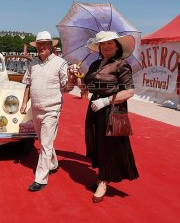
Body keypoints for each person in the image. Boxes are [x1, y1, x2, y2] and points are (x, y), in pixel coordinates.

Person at [74, 31, 139, 203]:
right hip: (94, 107)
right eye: (103, 44)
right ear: (99, 47)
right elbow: (84, 88)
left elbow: (130, 91)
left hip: (112, 109)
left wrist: (106, 101)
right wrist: (77, 75)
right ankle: (103, 173)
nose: (107, 46)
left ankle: (103, 180)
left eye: (110, 43)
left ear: (117, 46)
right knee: (95, 143)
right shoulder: (95, 64)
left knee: (109, 146)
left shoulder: (121, 64)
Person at [20, 30, 76, 192]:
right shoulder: (32, 64)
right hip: (35, 108)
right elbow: (28, 85)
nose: (41, 47)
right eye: (39, 44)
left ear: (51, 46)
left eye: (45, 44)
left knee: (45, 143)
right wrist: (24, 104)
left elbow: (67, 89)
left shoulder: (61, 63)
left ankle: (41, 178)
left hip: (52, 109)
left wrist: (72, 77)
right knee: (44, 141)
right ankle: (53, 163)